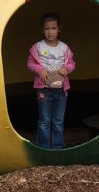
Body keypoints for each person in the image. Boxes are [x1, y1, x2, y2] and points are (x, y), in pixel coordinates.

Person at [27, 12, 75, 149]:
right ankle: (43, 148)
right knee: (44, 120)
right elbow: (30, 64)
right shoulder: (37, 47)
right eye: (47, 29)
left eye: (53, 28)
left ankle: (58, 147)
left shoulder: (64, 48)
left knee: (58, 121)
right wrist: (39, 70)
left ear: (59, 29)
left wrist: (67, 68)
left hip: (61, 90)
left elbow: (72, 63)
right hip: (44, 90)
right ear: (42, 30)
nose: (50, 32)